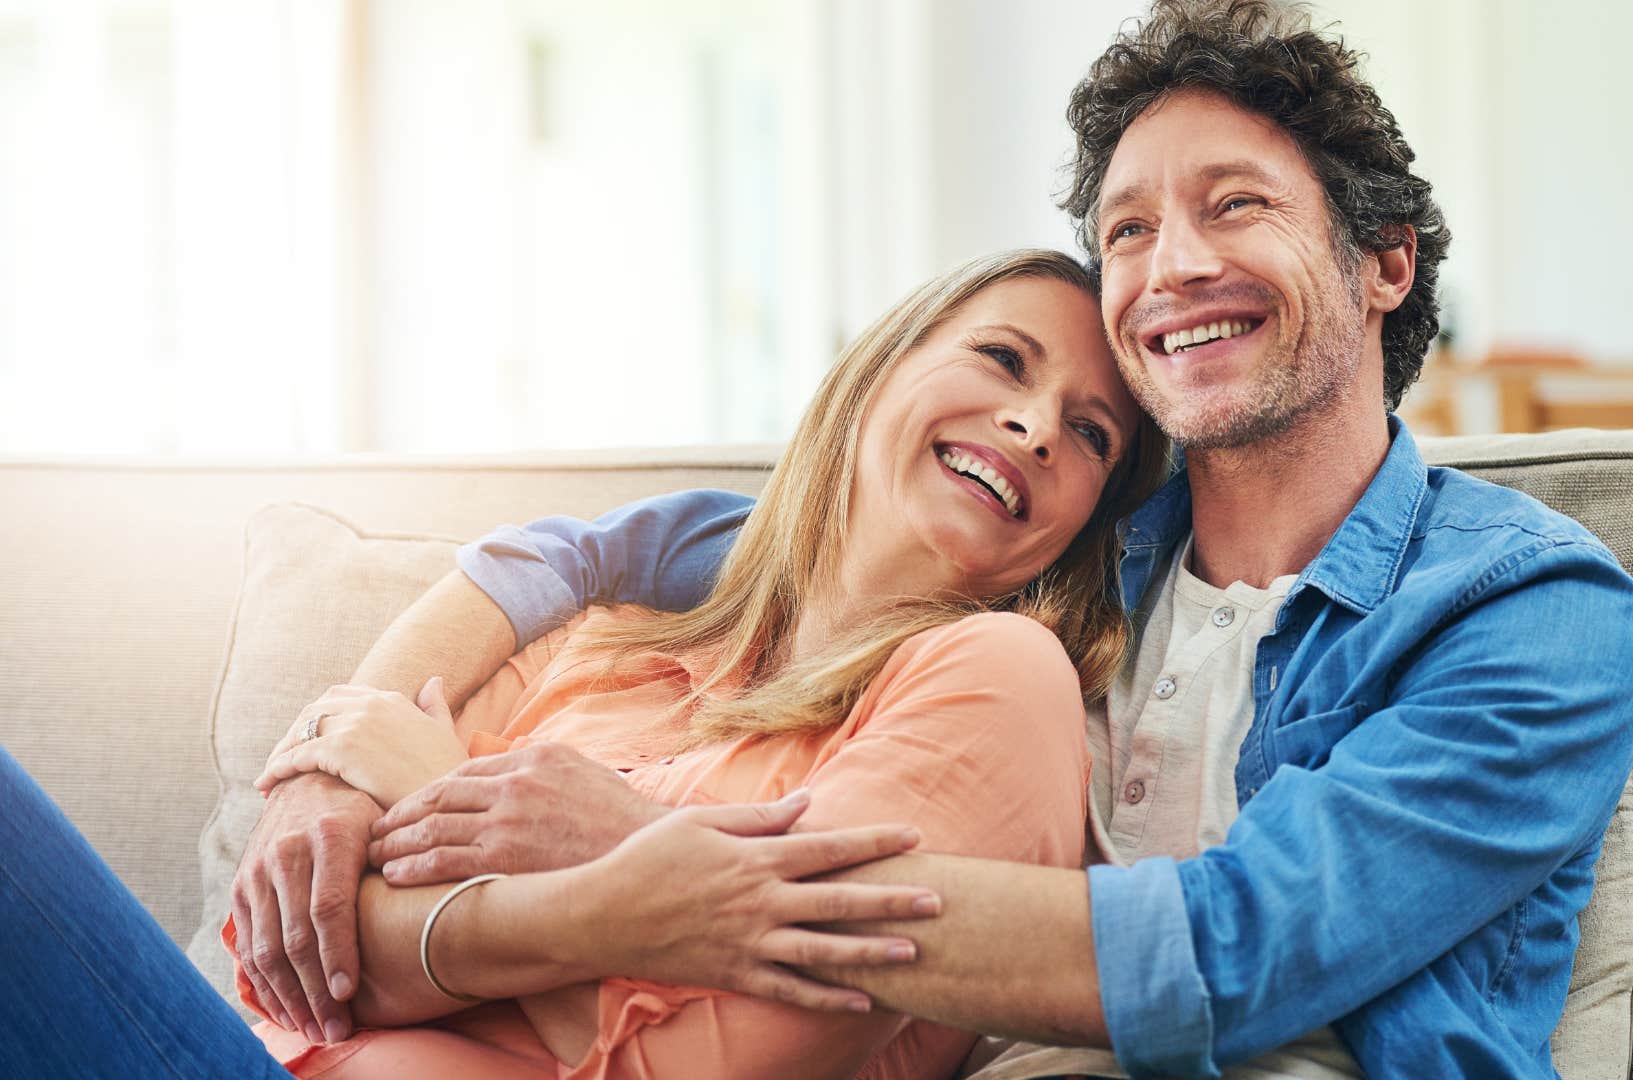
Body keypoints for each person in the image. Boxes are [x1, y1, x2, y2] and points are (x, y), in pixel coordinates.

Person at [242, 3, 1633, 1078]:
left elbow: (1237, 951)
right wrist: (335, 756)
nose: (1172, 268)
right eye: (1127, 231)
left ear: (1384, 262)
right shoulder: (1067, 556)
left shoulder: (1535, 613)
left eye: (1235, 205)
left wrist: (662, 855)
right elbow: (657, 550)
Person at [0, 248, 1168, 1078]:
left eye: (1090, 436)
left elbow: (743, 1059)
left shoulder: (998, 680)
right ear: (878, 376)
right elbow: (317, 962)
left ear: (1080, 526)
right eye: (1004, 361)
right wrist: (620, 919)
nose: (1034, 428)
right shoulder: (606, 645)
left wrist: (521, 859)